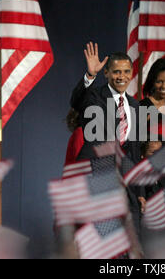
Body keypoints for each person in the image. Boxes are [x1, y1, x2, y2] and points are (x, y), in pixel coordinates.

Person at [69, 42, 143, 233]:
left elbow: (134, 151)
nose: (122, 76)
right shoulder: (95, 96)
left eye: (126, 71)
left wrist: (140, 192)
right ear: (107, 74)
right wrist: (90, 75)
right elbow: (76, 100)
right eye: (116, 72)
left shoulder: (135, 106)